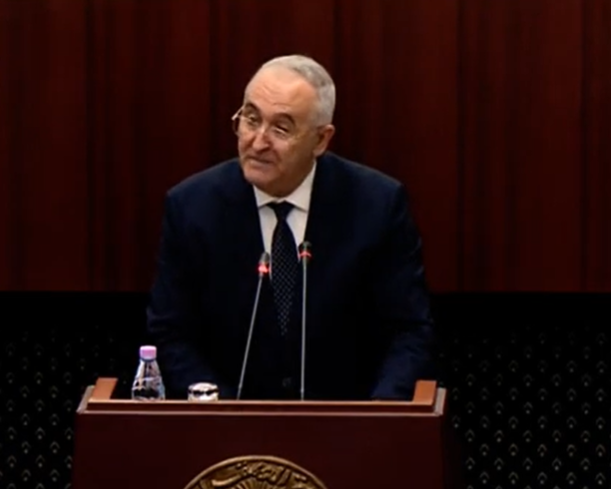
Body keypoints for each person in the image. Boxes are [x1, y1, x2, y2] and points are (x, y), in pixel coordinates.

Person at [146, 54, 435, 401]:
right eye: (251, 119)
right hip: (226, 422)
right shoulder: (192, 207)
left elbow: (408, 331)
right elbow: (170, 331)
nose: (258, 141)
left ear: (321, 140)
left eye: (281, 128)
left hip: (345, 423)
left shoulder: (377, 206)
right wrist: (219, 413)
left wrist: (378, 416)